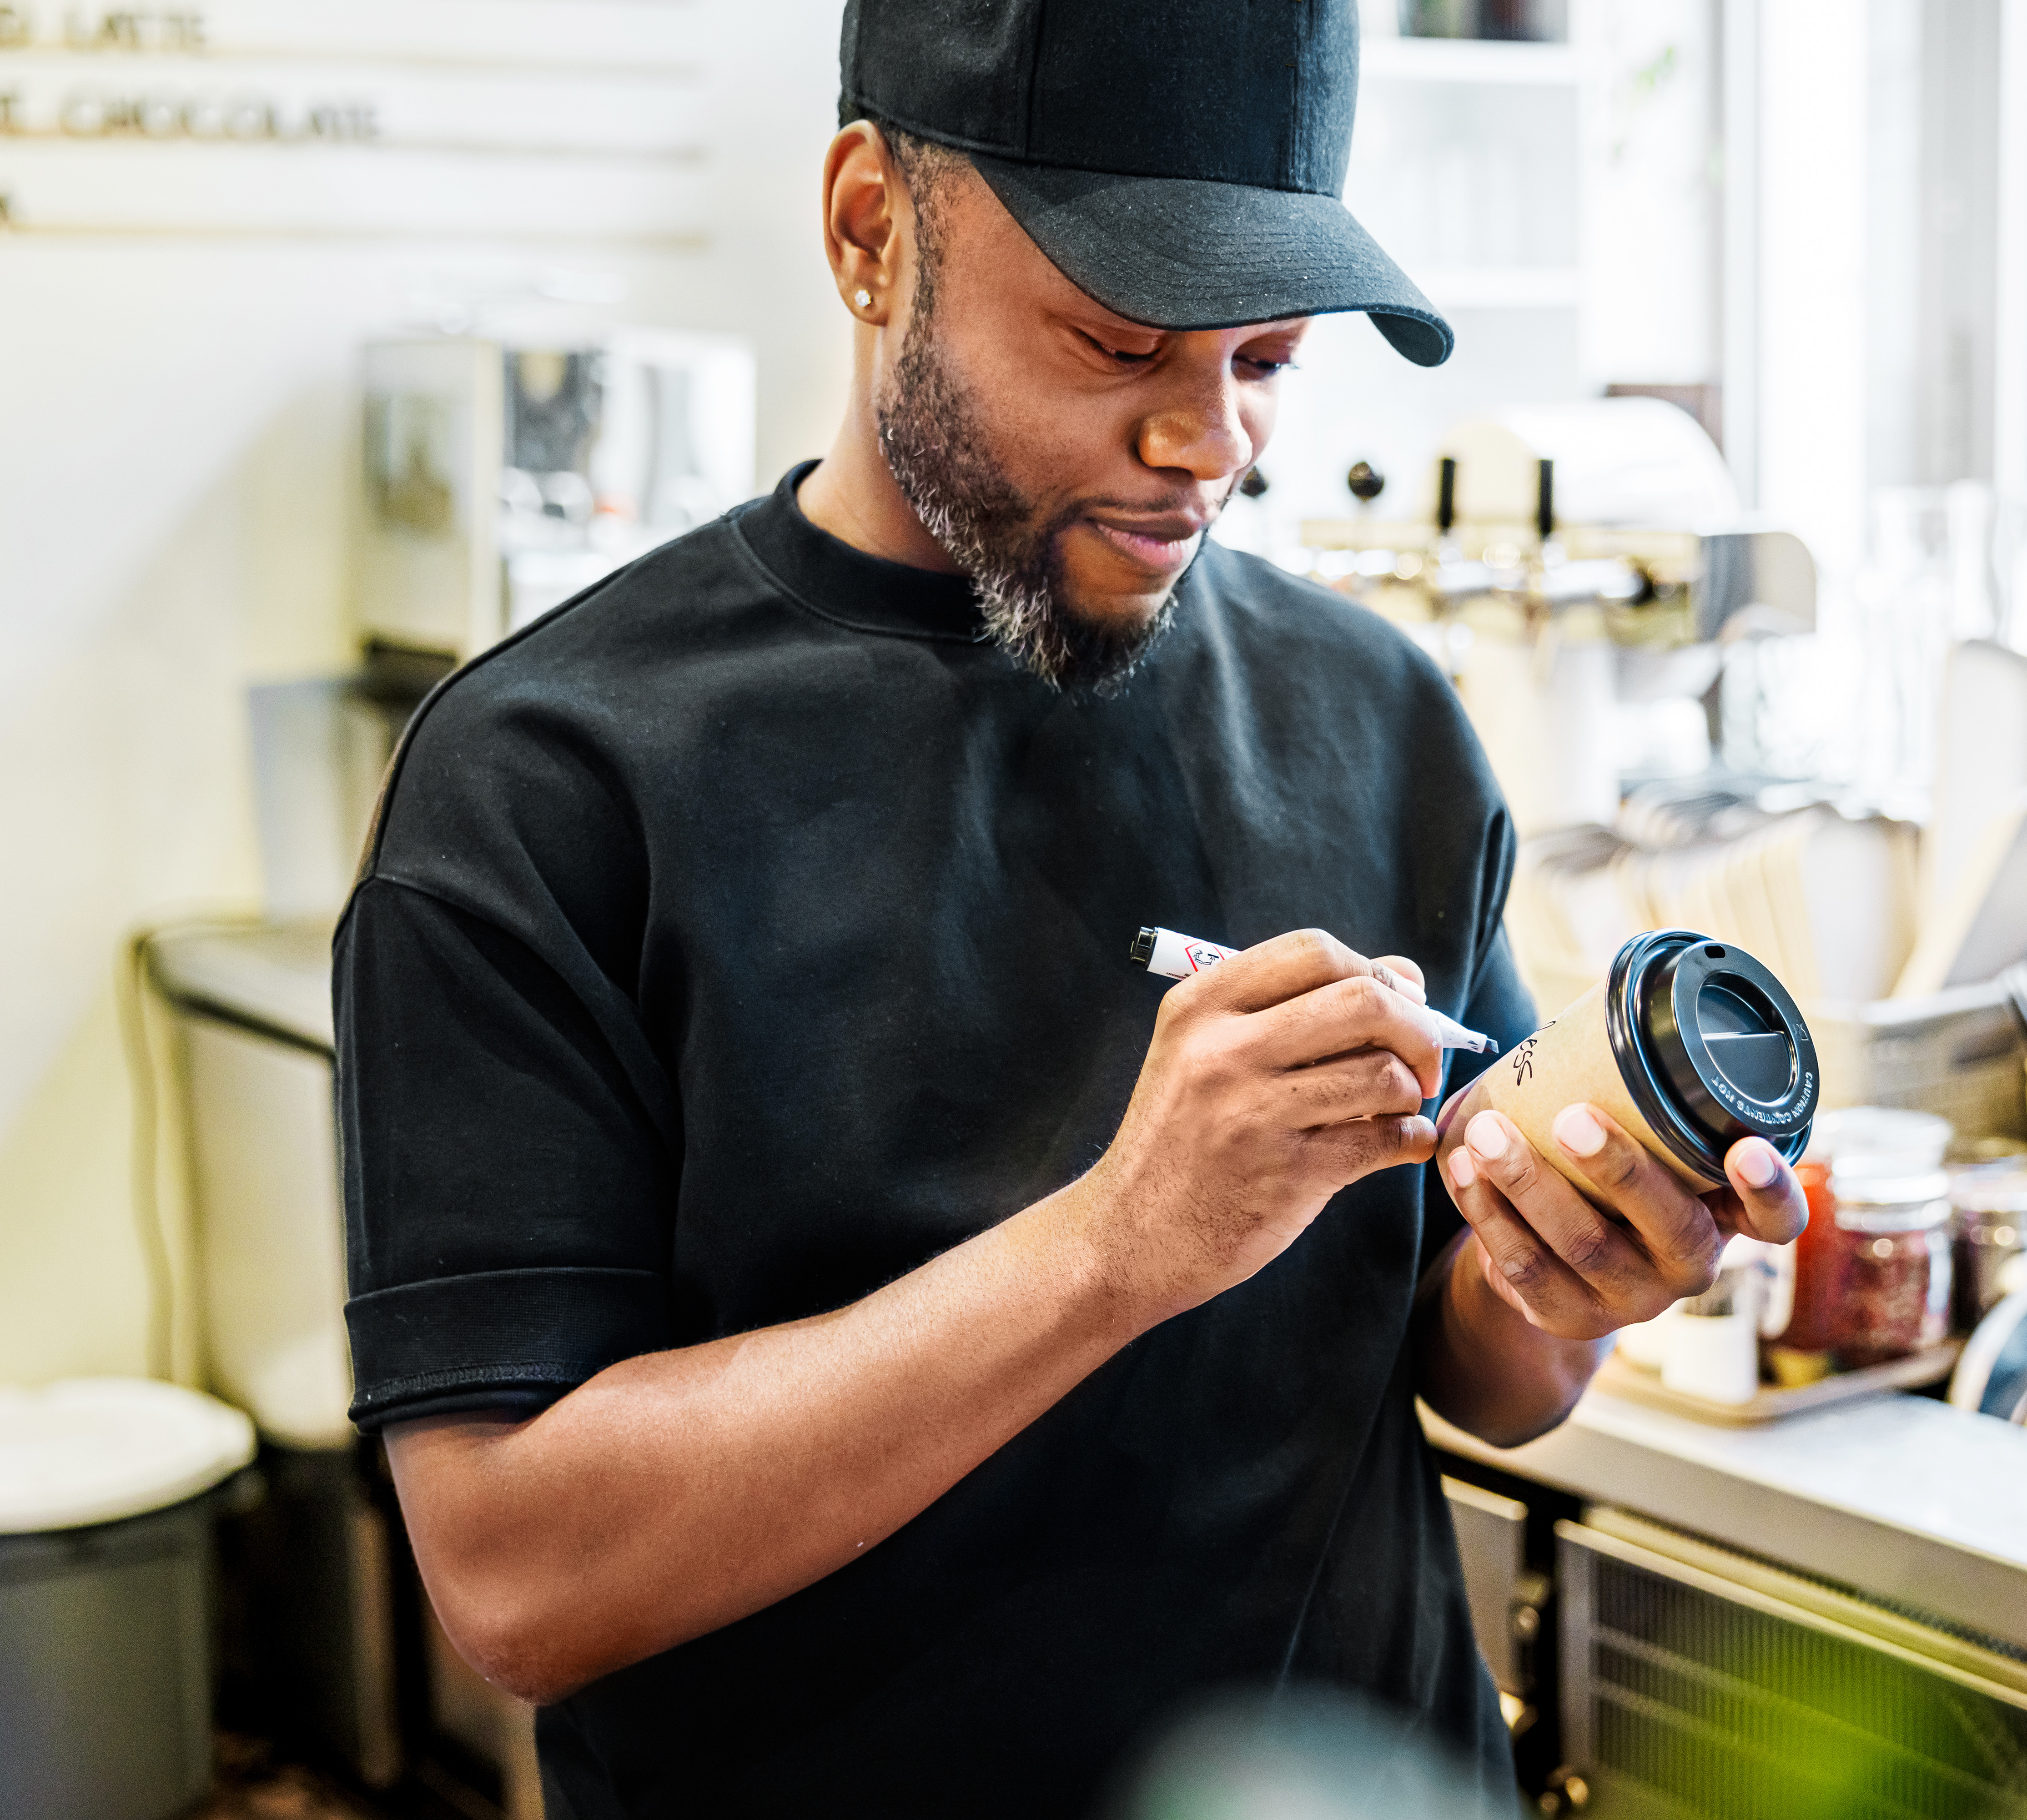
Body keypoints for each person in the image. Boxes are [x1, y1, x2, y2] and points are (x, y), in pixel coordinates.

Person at [338, 2, 1808, 1814]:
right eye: (1121, 340)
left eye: (1268, 354)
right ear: (873, 227)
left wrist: (1573, 1281)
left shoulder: (1382, 716)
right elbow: (515, 1570)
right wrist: (1118, 1243)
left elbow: (1470, 1351)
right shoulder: (552, 778)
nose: (1211, 440)